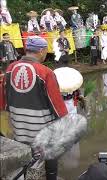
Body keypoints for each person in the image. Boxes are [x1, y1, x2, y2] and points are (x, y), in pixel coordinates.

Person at [2, 36, 68, 180]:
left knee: (25, 159)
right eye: (45, 51)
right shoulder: (46, 72)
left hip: (18, 128)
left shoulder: (9, 69)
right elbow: (57, 107)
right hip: (42, 131)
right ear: (41, 51)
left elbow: (3, 102)